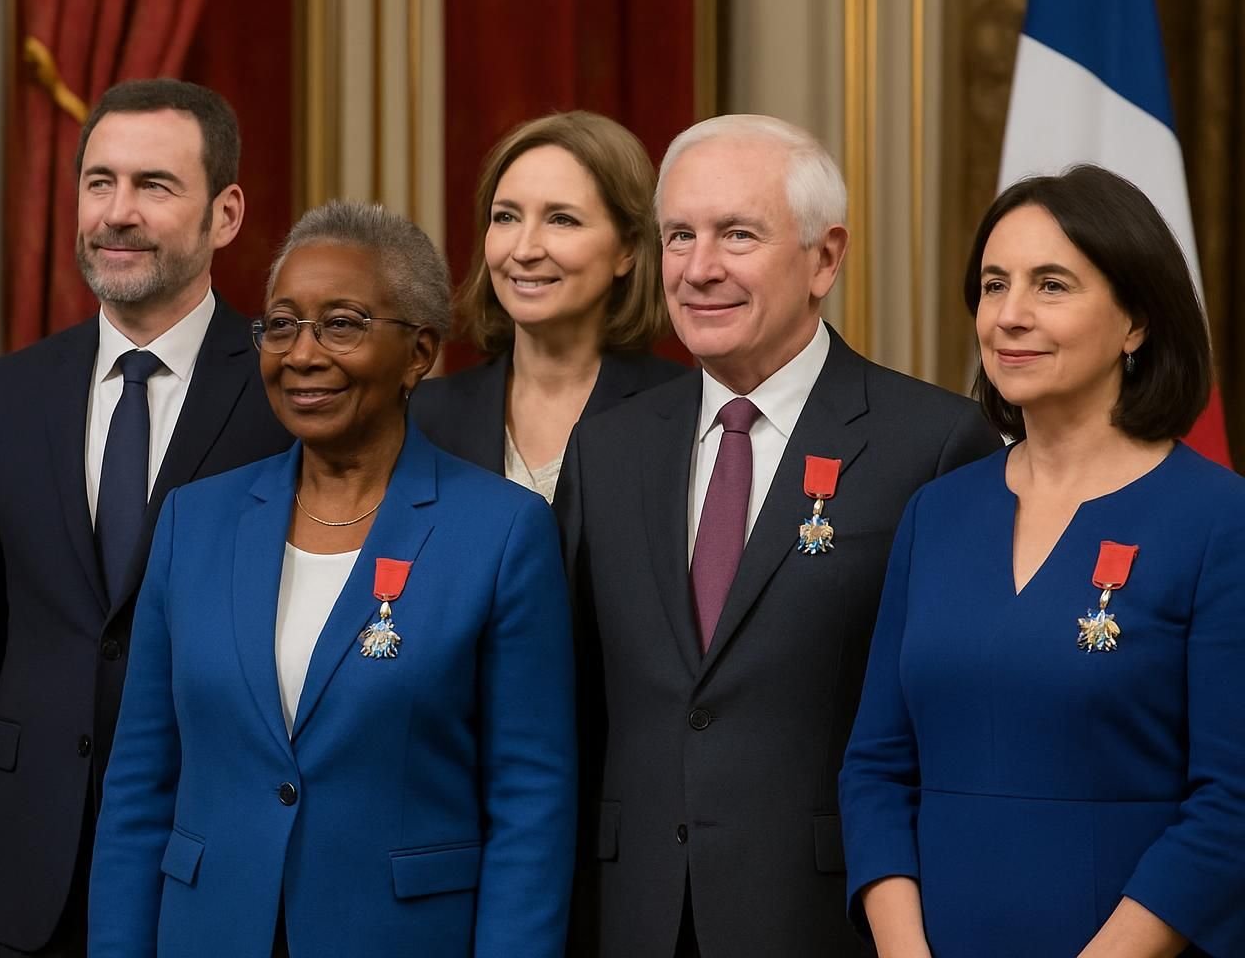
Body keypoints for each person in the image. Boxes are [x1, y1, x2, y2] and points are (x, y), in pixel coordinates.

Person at [555, 115, 1003, 957]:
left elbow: (952, 726)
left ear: (825, 258)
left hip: (831, 921)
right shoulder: (608, 446)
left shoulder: (932, 445)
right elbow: (576, 708)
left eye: (737, 235)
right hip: (632, 915)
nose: (698, 268)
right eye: (679, 235)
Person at [87, 200, 577, 958]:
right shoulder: (194, 522)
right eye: (280, 325)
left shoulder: (502, 533)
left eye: (341, 324)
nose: (302, 354)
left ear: (419, 352)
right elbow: (140, 785)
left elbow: (531, 804)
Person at [0, 78, 292, 958]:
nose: (117, 213)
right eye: (98, 182)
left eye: (155, 186)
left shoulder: (284, 390)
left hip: (214, 861)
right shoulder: (8, 393)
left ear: (225, 213)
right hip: (18, 874)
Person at [841, 165, 1245, 958]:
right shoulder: (937, 512)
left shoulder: (1219, 520)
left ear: (1136, 320)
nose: (1010, 316)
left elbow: (1232, 802)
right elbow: (876, 769)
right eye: (995, 286)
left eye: (1051, 285)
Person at [412, 111, 681, 503]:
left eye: (561, 220)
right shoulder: (420, 415)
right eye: (506, 217)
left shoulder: (686, 412)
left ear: (627, 248)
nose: (523, 250)